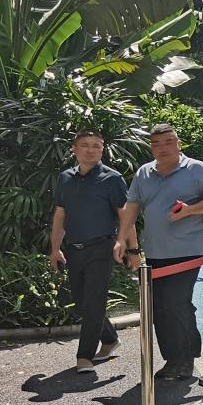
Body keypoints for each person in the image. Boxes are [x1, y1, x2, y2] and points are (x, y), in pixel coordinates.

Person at [119, 124, 203, 380]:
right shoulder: (144, 173)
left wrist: (190, 210)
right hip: (155, 251)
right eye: (156, 143)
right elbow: (131, 207)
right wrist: (122, 240)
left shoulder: (196, 168)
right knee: (160, 307)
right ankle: (174, 358)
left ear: (178, 143)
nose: (163, 148)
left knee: (175, 301)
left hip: (187, 251)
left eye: (168, 142)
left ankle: (184, 359)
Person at [49, 129, 128, 374]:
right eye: (85, 145)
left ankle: (84, 356)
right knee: (83, 304)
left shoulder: (112, 179)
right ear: (74, 149)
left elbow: (125, 215)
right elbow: (60, 214)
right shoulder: (65, 178)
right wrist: (55, 248)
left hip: (101, 248)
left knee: (94, 302)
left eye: (96, 146)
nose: (91, 150)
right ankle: (110, 338)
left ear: (102, 150)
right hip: (74, 249)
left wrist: (127, 245)